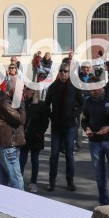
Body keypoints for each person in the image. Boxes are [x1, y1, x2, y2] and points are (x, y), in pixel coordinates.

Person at [82, 76, 109, 205]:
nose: (91, 92)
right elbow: (84, 120)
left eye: (93, 89)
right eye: (89, 90)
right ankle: (104, 205)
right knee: (100, 178)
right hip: (95, 143)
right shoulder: (88, 101)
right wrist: (87, 128)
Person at [45, 63, 84, 192]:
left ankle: (70, 181)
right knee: (54, 155)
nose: (63, 73)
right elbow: (46, 104)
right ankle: (52, 181)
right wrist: (51, 115)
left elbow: (83, 104)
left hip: (69, 126)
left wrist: (75, 114)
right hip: (56, 126)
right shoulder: (53, 87)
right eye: (61, 71)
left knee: (69, 155)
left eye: (65, 71)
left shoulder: (74, 87)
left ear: (69, 73)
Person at [0, 76, 25, 190]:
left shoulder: (3, 99)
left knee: (3, 179)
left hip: (3, 145)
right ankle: (20, 205)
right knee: (17, 181)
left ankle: (2, 203)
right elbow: (20, 119)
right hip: (7, 146)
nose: (22, 92)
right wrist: (21, 102)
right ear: (14, 91)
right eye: (21, 90)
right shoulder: (3, 101)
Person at [19, 87, 50, 193]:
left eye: (27, 89)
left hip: (36, 137)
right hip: (25, 136)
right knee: (22, 159)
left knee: (34, 160)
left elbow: (45, 121)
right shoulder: (23, 104)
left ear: (33, 91)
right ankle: (19, 181)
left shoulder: (41, 104)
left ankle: (33, 182)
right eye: (25, 89)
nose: (25, 91)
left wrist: (39, 133)